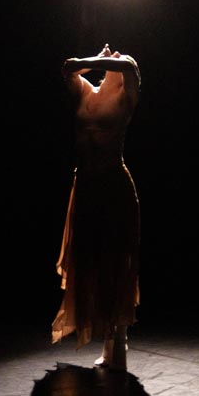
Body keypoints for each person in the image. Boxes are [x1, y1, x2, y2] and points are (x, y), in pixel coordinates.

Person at [52, 43, 141, 370]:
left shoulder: (126, 96)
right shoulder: (85, 91)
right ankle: (108, 336)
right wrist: (94, 61)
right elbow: (68, 67)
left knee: (115, 261)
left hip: (114, 186)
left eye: (115, 56)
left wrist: (104, 60)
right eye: (109, 57)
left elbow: (129, 66)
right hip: (87, 187)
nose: (114, 55)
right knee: (89, 260)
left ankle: (117, 340)